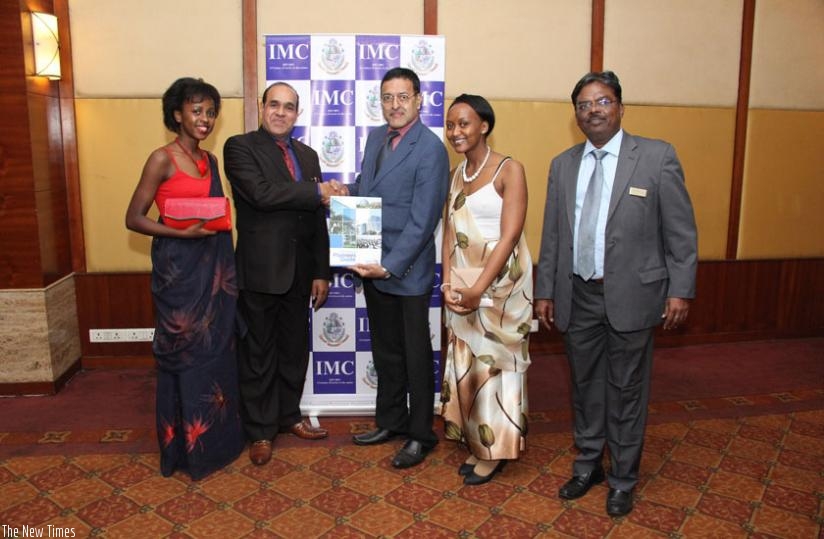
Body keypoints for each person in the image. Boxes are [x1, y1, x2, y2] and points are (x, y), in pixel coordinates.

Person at [534, 71, 698, 516]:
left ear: (621, 107)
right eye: (584, 105)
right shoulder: (563, 165)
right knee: (585, 386)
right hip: (577, 294)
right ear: (576, 115)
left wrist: (680, 290)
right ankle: (588, 464)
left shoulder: (657, 157)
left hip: (633, 295)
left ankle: (623, 477)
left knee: (626, 389)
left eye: (603, 101)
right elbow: (553, 235)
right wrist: (545, 290)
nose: (594, 111)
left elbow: (681, 232)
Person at [125, 77, 244, 480]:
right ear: (177, 114)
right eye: (196, 111)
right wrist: (180, 234)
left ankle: (219, 443)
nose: (205, 119)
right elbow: (134, 218)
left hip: (213, 273)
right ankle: (185, 451)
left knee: (217, 348)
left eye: (210, 112)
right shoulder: (161, 159)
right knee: (185, 353)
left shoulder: (211, 161)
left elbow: (216, 215)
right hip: (179, 274)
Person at [223, 82, 342, 466]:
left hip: (301, 273)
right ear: (262, 108)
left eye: (289, 107)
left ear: (297, 114)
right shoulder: (240, 147)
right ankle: (260, 430)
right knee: (258, 354)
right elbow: (262, 193)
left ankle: (289, 415)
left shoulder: (307, 155)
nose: (281, 112)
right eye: (274, 104)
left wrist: (321, 271)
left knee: (293, 351)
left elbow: (317, 220)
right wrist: (317, 192)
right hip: (260, 271)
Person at [347, 67, 450, 469]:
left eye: (403, 97)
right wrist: (342, 192)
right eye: (387, 97)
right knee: (387, 352)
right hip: (371, 261)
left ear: (419, 100)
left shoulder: (431, 148)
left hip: (405, 271)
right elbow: (367, 189)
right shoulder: (376, 137)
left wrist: (389, 267)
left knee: (415, 356)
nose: (394, 105)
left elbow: (424, 221)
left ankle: (421, 434)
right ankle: (391, 421)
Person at [440, 94, 533, 486]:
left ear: (484, 126)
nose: (455, 132)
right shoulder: (455, 175)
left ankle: (497, 450)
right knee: (469, 364)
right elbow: (449, 234)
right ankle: (478, 440)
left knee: (497, 367)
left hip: (501, 289)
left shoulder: (510, 169)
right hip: (465, 285)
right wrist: (448, 282)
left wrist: (480, 288)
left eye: (464, 123)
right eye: (450, 125)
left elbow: (510, 235)